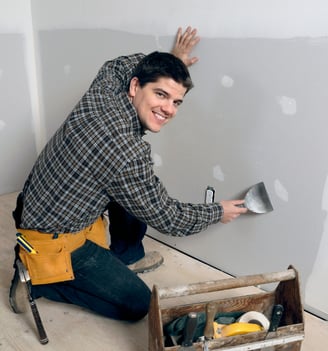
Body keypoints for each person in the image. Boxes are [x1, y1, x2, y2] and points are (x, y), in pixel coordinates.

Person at [10, 27, 247, 322]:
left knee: (138, 190)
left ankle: (127, 255)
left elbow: (119, 65)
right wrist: (217, 211)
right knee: (139, 305)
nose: (169, 109)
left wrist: (171, 62)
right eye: (160, 94)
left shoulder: (104, 91)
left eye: (176, 101)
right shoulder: (125, 153)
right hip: (53, 240)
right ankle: (39, 281)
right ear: (135, 87)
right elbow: (167, 217)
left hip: (34, 204)